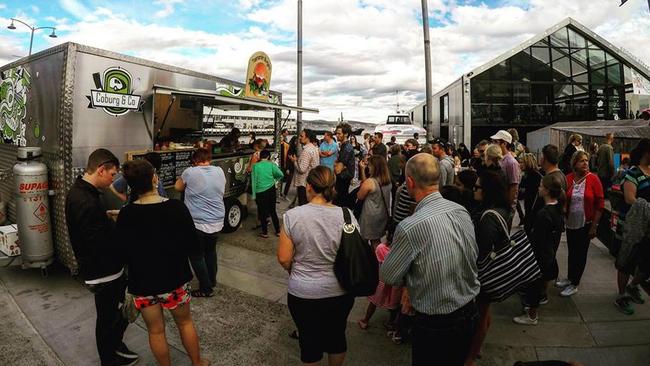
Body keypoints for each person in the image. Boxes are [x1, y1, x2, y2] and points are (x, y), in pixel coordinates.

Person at [381, 153, 480, 366]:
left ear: (409, 182)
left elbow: (388, 274)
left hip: (435, 322)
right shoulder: (460, 211)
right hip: (469, 311)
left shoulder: (410, 226)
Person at [116, 160, 209, 366]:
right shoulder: (176, 207)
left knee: (156, 330)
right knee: (184, 323)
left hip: (143, 284)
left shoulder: (126, 213)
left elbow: (122, 254)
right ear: (154, 179)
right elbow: (193, 248)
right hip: (174, 279)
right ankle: (197, 362)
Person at [65, 149, 139, 366]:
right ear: (100, 169)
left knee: (114, 316)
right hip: (103, 272)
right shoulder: (86, 201)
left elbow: (91, 229)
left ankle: (115, 345)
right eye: (112, 174)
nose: (113, 178)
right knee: (109, 318)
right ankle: (109, 359)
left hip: (103, 269)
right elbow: (97, 243)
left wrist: (106, 218)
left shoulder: (82, 191)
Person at [277, 166, 356, 366]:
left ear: (309, 186)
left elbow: (284, 258)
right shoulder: (347, 216)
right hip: (340, 290)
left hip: (303, 291)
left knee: (309, 342)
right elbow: (354, 252)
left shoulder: (292, 216)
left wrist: (293, 270)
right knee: (337, 337)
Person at [466, 169, 512, 366]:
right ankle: (478, 347)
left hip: (486, 273)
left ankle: (471, 356)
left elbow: (482, 249)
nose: (474, 190)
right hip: (494, 272)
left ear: (487, 191)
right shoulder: (501, 209)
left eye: (477, 187)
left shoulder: (488, 217)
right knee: (485, 312)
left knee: (480, 315)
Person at [513, 173, 565, 325]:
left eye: (541, 186)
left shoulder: (544, 214)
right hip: (549, 254)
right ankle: (535, 306)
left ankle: (531, 315)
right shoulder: (558, 209)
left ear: (547, 190)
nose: (539, 188)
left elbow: (538, 239)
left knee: (533, 286)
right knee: (539, 284)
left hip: (540, 255)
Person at [175, 148, 226, 298]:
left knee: (196, 255)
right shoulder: (219, 170)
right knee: (210, 251)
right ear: (209, 159)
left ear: (195, 161)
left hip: (197, 222)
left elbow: (178, 187)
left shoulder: (190, 172)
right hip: (217, 220)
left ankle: (206, 288)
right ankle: (212, 280)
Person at [558, 151, 604, 297]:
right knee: (572, 251)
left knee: (580, 253)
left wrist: (594, 226)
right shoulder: (568, 178)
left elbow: (600, 204)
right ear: (574, 164)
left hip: (586, 223)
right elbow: (562, 198)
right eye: (581, 161)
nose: (585, 163)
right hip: (571, 222)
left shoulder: (594, 179)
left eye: (586, 160)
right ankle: (570, 277)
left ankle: (575, 283)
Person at [615, 139, 650, 314]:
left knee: (646, 261)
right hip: (633, 226)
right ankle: (621, 295)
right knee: (627, 262)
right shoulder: (633, 173)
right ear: (646, 153)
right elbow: (630, 199)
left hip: (648, 227)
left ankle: (634, 285)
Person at [357, 229, 402, 331]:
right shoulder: (402, 251)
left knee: (374, 303)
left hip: (382, 281)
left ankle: (365, 320)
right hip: (396, 282)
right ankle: (391, 322)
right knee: (394, 304)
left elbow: (376, 263)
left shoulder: (381, 248)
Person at [524, 144, 567, 234]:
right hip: (553, 226)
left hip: (545, 228)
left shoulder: (550, 179)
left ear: (544, 159)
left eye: (541, 156)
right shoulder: (562, 176)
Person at [357, 155, 392, 247]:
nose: (368, 167)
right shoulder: (387, 181)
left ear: (374, 167)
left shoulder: (370, 182)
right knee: (376, 241)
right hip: (382, 214)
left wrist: (362, 170)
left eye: (370, 165)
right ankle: (378, 259)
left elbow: (360, 196)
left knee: (362, 241)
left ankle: (366, 260)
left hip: (369, 216)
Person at [252, 149, 284, 238]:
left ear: (260, 156)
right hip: (271, 190)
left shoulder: (255, 166)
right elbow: (281, 174)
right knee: (273, 211)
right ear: (268, 157)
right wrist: (275, 180)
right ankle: (278, 231)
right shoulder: (272, 165)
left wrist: (254, 195)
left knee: (262, 213)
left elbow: (253, 181)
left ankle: (265, 233)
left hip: (260, 192)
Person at [491, 130, 521, 208]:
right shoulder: (497, 159)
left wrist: (508, 205)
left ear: (504, 143)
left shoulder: (511, 162)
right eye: (493, 141)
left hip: (504, 205)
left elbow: (514, 186)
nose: (493, 144)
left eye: (496, 142)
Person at [290, 129, 320, 206]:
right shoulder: (314, 148)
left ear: (308, 138)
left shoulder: (306, 151)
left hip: (304, 183)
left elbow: (302, 169)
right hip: (311, 181)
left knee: (303, 204)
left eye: (301, 136)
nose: (299, 138)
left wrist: (294, 161)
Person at [334, 123, 356, 208]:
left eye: (339, 133)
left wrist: (337, 165)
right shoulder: (345, 146)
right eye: (336, 133)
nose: (337, 135)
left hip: (343, 179)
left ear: (346, 134)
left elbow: (337, 170)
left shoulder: (346, 147)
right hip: (343, 178)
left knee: (340, 203)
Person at [519, 153, 542, 225]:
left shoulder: (534, 176)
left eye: (522, 162)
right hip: (529, 207)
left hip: (534, 208)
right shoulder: (527, 175)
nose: (520, 164)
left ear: (527, 163)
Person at [283, 136, 299, 200]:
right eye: (295, 141)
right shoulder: (291, 149)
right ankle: (285, 194)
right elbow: (288, 159)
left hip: (296, 166)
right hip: (291, 167)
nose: (297, 142)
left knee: (297, 180)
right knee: (289, 181)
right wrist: (287, 168)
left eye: (297, 141)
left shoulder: (297, 148)